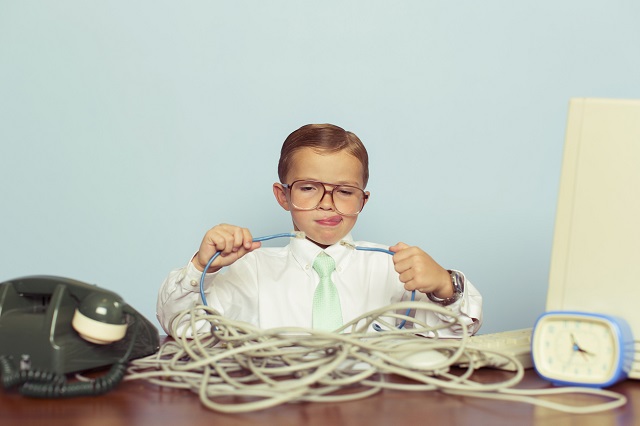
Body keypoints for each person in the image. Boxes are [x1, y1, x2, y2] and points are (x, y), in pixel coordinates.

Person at [157, 124, 482, 337]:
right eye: (309, 188)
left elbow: (457, 332)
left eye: (344, 191)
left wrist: (445, 286)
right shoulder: (250, 270)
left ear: (362, 200)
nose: (327, 204)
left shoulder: (393, 270)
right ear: (283, 196)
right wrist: (201, 269)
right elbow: (183, 326)